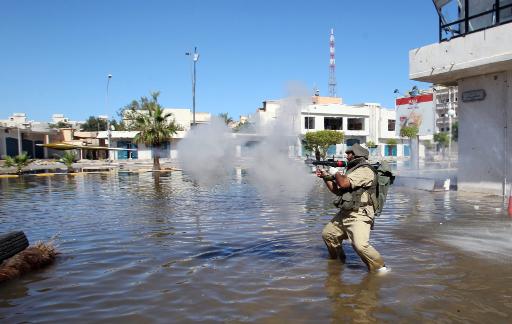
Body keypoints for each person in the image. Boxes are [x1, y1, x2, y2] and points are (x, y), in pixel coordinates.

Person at [316, 143, 387, 273]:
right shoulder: (352, 171)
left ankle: (380, 268)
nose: (346, 156)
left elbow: (343, 183)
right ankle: (337, 262)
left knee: (360, 246)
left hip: (360, 214)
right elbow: (337, 190)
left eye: (349, 153)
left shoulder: (365, 170)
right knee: (328, 234)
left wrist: (335, 172)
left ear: (356, 155)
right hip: (346, 211)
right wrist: (326, 177)